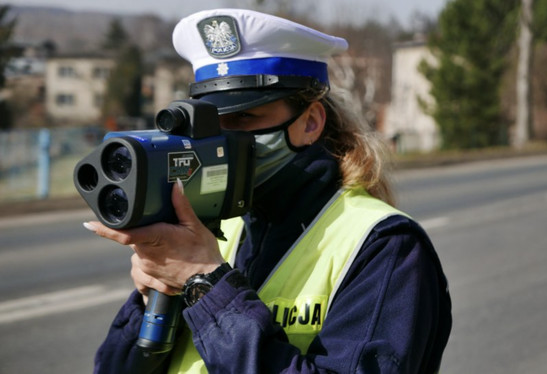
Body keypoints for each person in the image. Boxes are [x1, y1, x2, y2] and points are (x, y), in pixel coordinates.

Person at [85, 8, 451, 374]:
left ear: (310, 122)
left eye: (245, 118)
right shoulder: (215, 227)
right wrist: (150, 300)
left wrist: (208, 288)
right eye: (212, 123)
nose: (223, 140)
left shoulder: (386, 248)